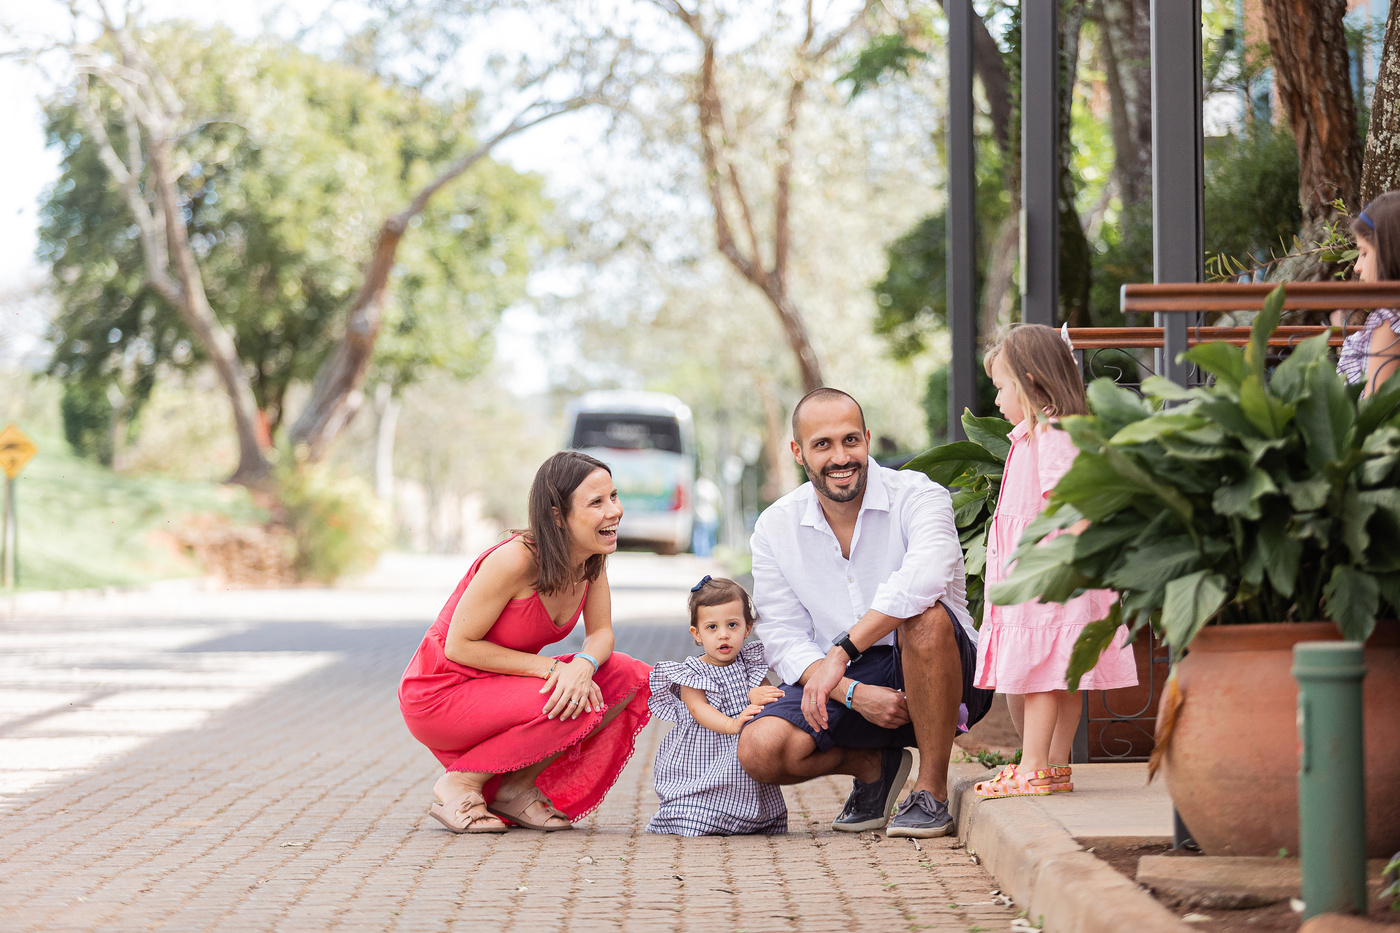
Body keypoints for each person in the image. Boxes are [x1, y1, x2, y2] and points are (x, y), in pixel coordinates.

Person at [739, 388, 994, 839]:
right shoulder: (775, 527)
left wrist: (842, 651)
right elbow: (782, 635)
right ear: (798, 452)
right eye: (823, 444)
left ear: (868, 439)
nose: (841, 457)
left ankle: (931, 792)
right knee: (760, 750)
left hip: (941, 665)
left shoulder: (918, 494)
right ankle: (874, 766)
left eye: (850, 440)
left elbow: (924, 577)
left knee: (924, 616)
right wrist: (851, 692)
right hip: (846, 684)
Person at [398, 451, 652, 833]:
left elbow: (601, 633)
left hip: (497, 686)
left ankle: (514, 789)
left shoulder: (589, 559)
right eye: (596, 502)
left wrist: (584, 665)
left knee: (627, 675)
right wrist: (554, 670)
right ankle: (461, 782)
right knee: (575, 697)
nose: (614, 511)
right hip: (439, 691)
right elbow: (458, 646)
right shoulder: (515, 560)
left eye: (614, 497)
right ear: (557, 515)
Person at [972, 324, 1137, 799]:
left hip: (1049, 580)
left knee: (1041, 675)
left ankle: (1033, 765)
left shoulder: (1054, 434)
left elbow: (1074, 505)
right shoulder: (1036, 435)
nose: (997, 399)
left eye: (1001, 387)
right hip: (1044, 578)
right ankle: (1053, 766)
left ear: (1029, 381)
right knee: (1061, 674)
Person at [645, 576, 788, 836]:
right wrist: (732, 724)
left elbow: (768, 695)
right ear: (697, 634)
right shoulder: (692, 673)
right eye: (712, 627)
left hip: (742, 747)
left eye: (732, 625)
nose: (723, 634)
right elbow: (699, 710)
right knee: (703, 797)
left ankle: (748, 820)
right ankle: (698, 814)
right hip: (704, 751)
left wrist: (759, 694)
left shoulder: (750, 664)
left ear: (747, 628)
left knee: (746, 790)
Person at [1338, 192, 1400, 396]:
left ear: (1389, 254)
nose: (1357, 267)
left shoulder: (1389, 323)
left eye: (1364, 253)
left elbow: (1375, 405)